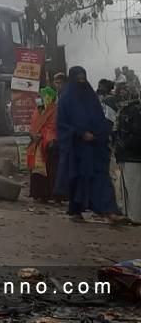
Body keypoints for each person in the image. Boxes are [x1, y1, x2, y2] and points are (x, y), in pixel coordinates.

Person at [56, 66, 123, 223]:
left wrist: (100, 134)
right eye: (78, 78)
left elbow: (100, 119)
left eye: (83, 77)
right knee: (77, 179)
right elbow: (62, 125)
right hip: (76, 149)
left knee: (101, 177)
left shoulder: (91, 97)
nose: (81, 81)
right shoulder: (66, 99)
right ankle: (75, 209)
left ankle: (109, 210)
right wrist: (80, 133)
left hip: (94, 147)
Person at [113, 84, 141, 223]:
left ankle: (134, 216)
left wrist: (123, 146)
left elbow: (136, 134)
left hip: (132, 155)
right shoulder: (128, 110)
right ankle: (131, 214)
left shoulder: (132, 111)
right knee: (130, 187)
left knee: (133, 187)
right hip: (129, 155)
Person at [28, 87, 60, 203]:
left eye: (42, 96)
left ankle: (51, 195)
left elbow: (54, 127)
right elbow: (33, 123)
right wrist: (33, 134)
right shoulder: (39, 108)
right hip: (37, 142)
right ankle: (39, 194)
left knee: (51, 170)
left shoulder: (55, 109)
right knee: (38, 169)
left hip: (50, 143)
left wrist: (41, 135)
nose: (40, 98)